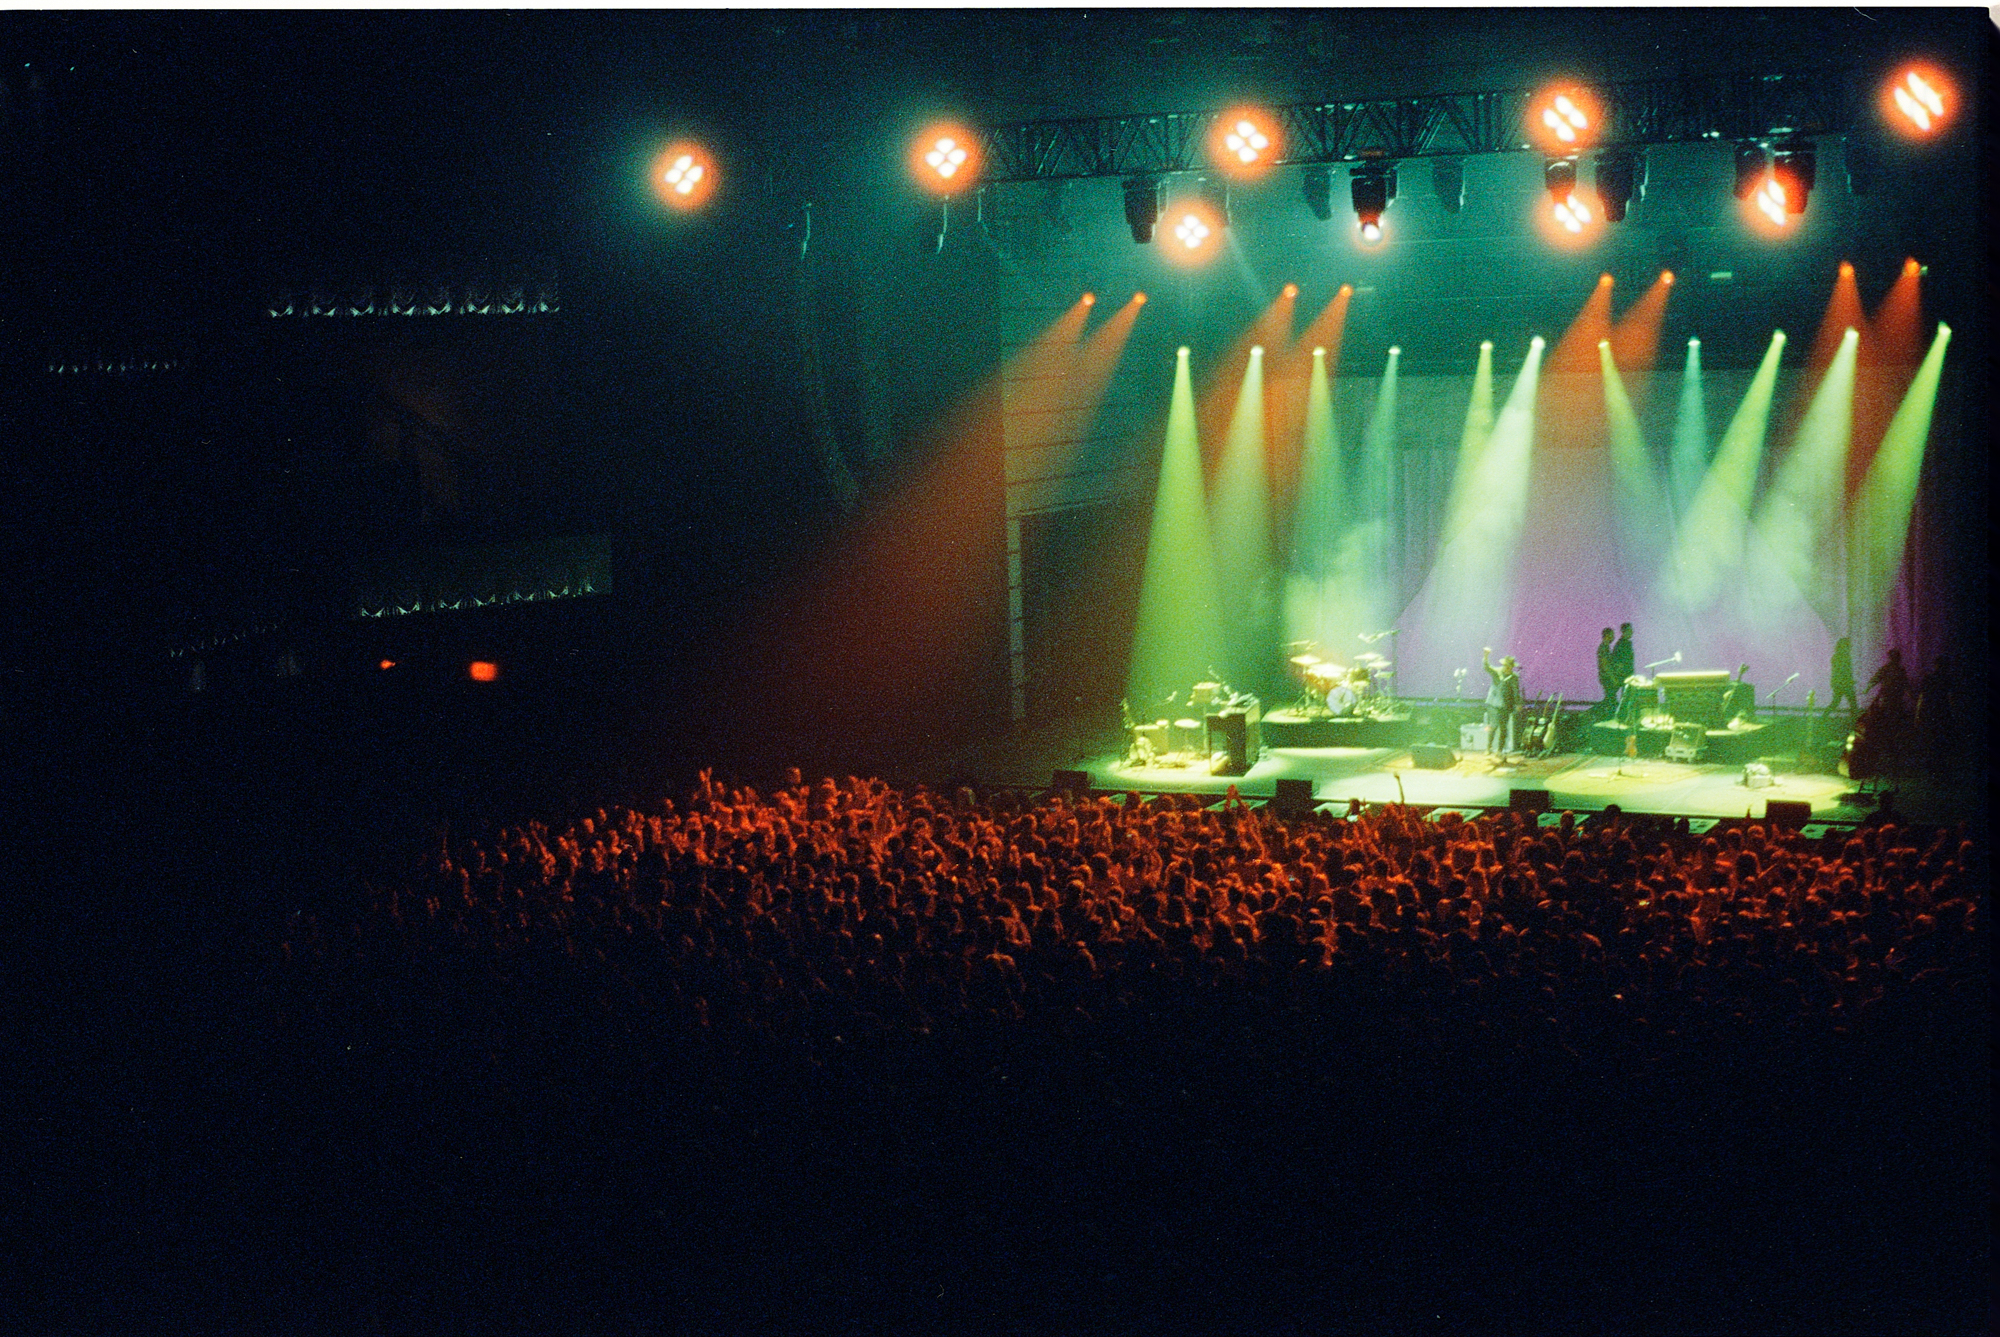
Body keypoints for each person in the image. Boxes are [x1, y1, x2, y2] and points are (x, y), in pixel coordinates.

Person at [1482, 646, 1523, 757]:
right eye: (1506, 666)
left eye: (1509, 666)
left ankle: (1499, 750)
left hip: (1505, 706)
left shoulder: (1514, 677)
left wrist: (1518, 704)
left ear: (1511, 667)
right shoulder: (1497, 672)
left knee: (1503, 728)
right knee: (1493, 726)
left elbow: (1516, 692)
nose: (1507, 668)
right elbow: (1487, 667)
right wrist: (1486, 656)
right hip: (1494, 704)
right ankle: (1488, 748)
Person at [1608, 622, 1636, 724]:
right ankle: (1622, 718)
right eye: (1630, 630)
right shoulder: (1621, 644)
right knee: (1626, 697)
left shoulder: (1624, 643)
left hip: (1627, 675)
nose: (1632, 632)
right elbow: (1617, 662)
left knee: (1626, 697)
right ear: (1625, 631)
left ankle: (1623, 718)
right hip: (1625, 676)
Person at [1593, 627, 1619, 721]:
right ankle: (1605, 717)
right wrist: (1613, 678)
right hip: (1606, 677)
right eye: (1612, 635)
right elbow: (1605, 665)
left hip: (1605, 677)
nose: (1613, 637)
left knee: (1610, 698)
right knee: (1611, 699)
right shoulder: (1604, 648)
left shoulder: (1606, 647)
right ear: (1607, 636)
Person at [1828, 636, 1858, 715]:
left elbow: (1837, 671)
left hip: (1838, 682)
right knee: (1852, 701)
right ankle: (1855, 719)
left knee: (1837, 701)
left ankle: (1824, 716)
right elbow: (1845, 670)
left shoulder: (1836, 656)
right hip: (1844, 683)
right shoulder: (1844, 657)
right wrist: (1849, 680)